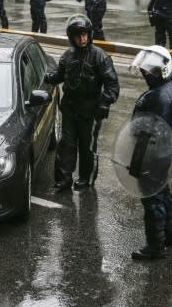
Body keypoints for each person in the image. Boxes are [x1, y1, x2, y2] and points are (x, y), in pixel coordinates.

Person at [45, 15, 119, 192]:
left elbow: (112, 84)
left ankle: (86, 178)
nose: (82, 38)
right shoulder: (67, 55)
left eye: (85, 34)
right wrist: (47, 76)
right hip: (70, 108)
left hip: (90, 111)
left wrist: (104, 103)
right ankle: (64, 179)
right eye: (78, 35)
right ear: (72, 37)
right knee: (66, 145)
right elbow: (59, 75)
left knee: (87, 147)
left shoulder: (100, 56)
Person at [129, 45, 172, 260]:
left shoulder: (158, 96)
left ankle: (155, 246)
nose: (146, 73)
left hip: (151, 152)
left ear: (163, 71)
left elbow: (147, 128)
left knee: (151, 198)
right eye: (145, 69)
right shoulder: (168, 90)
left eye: (151, 70)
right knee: (163, 193)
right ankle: (169, 234)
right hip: (162, 150)